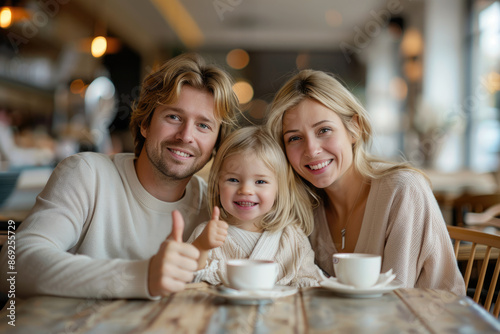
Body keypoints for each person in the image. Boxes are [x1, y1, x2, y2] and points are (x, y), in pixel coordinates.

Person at [0, 53, 240, 300]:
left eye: (203, 126)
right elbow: (14, 265)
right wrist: (141, 276)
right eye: (174, 117)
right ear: (145, 124)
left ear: (215, 145)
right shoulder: (86, 174)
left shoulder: (214, 208)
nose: (186, 136)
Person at [265, 70, 466, 295]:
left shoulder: (403, 189)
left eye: (324, 130)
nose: (311, 150)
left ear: (354, 128)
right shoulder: (307, 206)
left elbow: (395, 300)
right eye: (294, 138)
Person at [187, 126, 322, 287]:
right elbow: (187, 281)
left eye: (260, 182)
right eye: (233, 180)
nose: (246, 190)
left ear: (279, 189)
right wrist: (201, 247)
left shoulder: (292, 238)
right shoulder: (206, 234)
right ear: (217, 184)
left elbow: (311, 284)